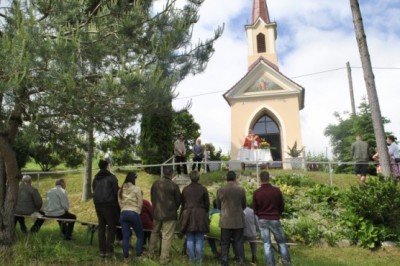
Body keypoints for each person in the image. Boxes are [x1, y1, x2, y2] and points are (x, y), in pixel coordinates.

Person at [253, 171, 291, 266]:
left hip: (262, 219)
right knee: (281, 242)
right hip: (274, 218)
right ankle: (286, 263)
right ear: (269, 178)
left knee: (266, 244)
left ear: (260, 179)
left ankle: (270, 264)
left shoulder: (257, 193)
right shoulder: (276, 191)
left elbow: (255, 209)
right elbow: (281, 205)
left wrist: (260, 215)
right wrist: (278, 214)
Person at [148, 166, 181, 265]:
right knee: (167, 236)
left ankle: (151, 254)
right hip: (170, 214)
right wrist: (173, 209)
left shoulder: (155, 183)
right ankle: (164, 258)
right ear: (172, 174)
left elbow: (152, 198)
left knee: (154, 232)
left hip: (156, 213)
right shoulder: (174, 186)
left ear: (163, 173)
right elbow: (178, 201)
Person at [216, 171, 247, 266]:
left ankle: (224, 262)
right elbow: (244, 205)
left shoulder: (220, 190)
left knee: (225, 242)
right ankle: (240, 260)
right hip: (238, 219)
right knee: (238, 241)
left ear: (226, 179)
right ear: (235, 178)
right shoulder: (241, 190)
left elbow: (218, 205)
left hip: (225, 220)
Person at [179, 171, 210, 264]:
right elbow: (207, 204)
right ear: (199, 177)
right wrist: (204, 211)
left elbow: (182, 203)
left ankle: (192, 260)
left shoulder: (185, 189)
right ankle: (199, 260)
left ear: (190, 178)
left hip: (187, 214)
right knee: (199, 238)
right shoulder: (203, 189)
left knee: (190, 238)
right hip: (200, 214)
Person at [93, 159, 119, 258]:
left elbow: (94, 190)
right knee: (112, 227)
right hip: (109, 205)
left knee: (101, 227)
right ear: (107, 166)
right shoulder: (112, 177)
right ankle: (109, 251)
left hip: (98, 204)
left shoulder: (95, 178)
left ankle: (102, 251)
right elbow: (116, 192)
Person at [118, 172, 144, 262]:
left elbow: (120, 203)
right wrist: (138, 212)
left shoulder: (120, 190)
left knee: (126, 236)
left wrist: (123, 209)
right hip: (133, 213)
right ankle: (138, 255)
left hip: (123, 213)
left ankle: (126, 257)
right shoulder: (137, 189)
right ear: (133, 179)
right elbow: (140, 202)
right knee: (140, 235)